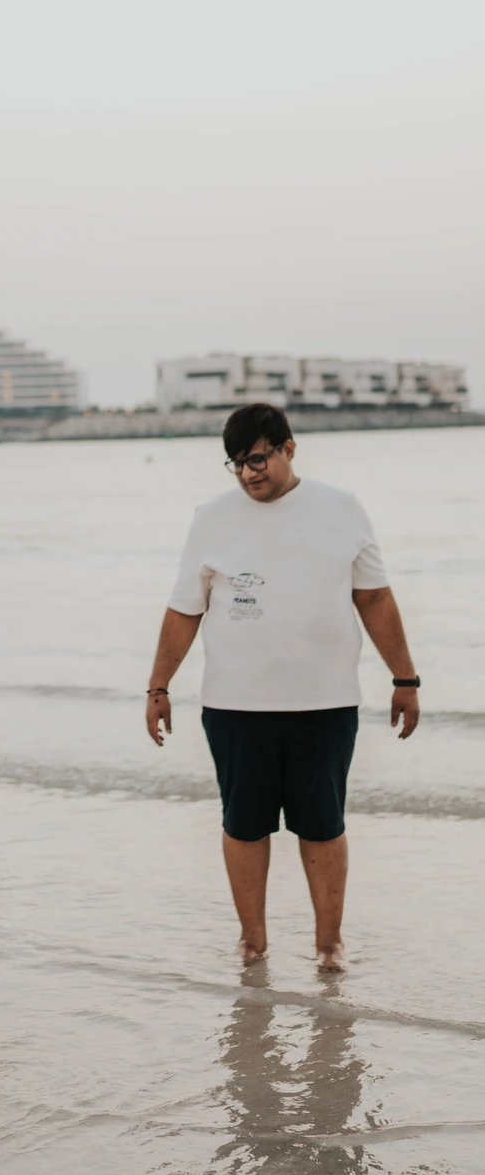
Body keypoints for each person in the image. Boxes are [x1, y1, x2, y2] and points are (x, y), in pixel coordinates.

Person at [145, 404, 420, 971]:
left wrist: (405, 678)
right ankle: (253, 940)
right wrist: (158, 687)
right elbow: (183, 610)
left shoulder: (340, 509)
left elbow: (374, 598)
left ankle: (329, 945)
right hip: (235, 705)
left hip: (325, 703)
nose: (248, 473)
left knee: (322, 825)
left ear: (288, 448)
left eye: (258, 458)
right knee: (244, 825)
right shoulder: (212, 518)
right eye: (237, 464)